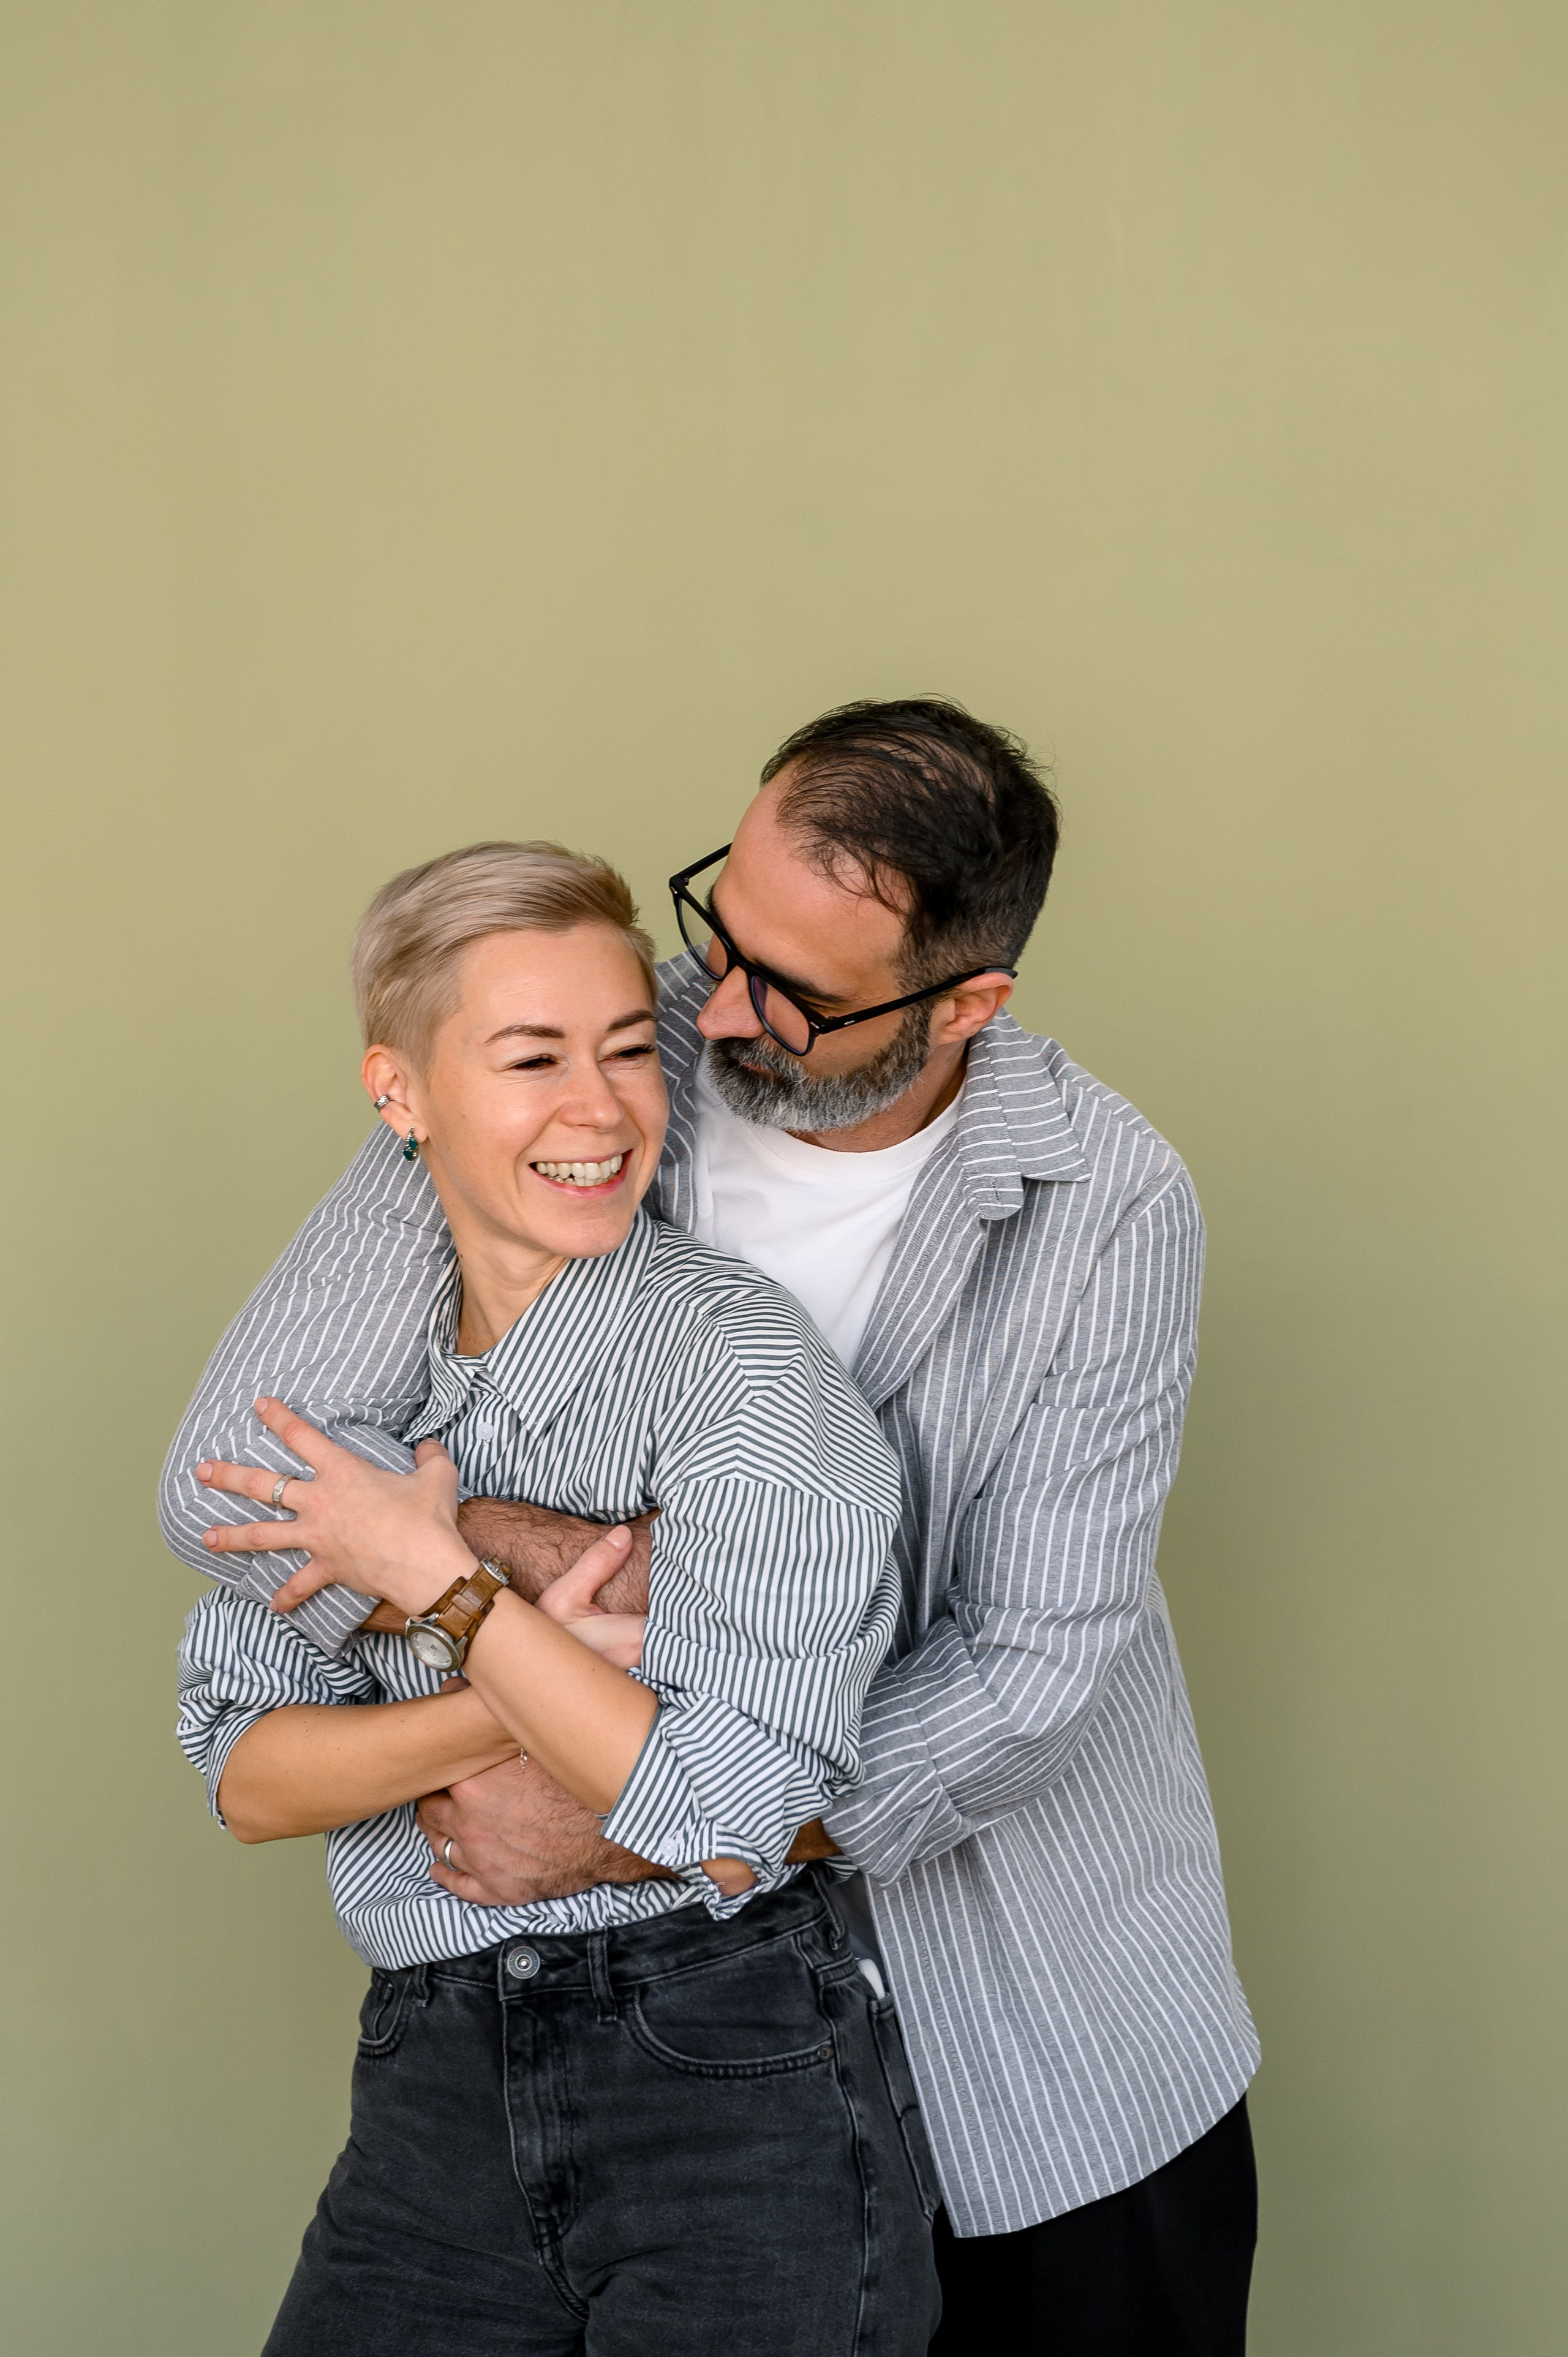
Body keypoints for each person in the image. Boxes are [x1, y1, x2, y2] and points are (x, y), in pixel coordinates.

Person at [163, 698, 1262, 2354]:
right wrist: (529, 1597)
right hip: (623, 2042)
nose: (716, 1004)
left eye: (798, 992)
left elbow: (1033, 1669)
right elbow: (239, 1478)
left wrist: (634, 1808)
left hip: (1032, 2022)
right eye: (718, 926)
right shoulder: (586, 1049)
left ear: (968, 1000)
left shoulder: (1108, 1203)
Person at [170, 842, 941, 2356]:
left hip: (730, 2072)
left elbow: (725, 1807)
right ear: (400, 1095)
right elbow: (243, 1771)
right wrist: (514, 1688)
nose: (598, 1110)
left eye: (621, 1052)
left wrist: (440, 1582)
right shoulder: (351, 1398)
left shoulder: (740, 1369)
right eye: (531, 1058)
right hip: (430, 2073)